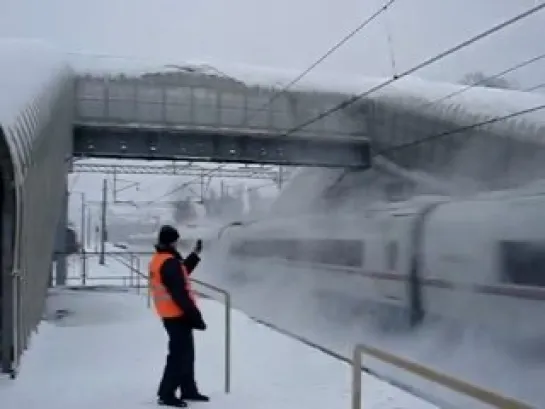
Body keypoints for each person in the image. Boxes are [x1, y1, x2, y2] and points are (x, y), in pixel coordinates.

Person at [149, 225, 210, 408]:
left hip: (170, 313)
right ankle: (166, 393)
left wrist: (195, 255)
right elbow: (180, 292)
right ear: (172, 241)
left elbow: (181, 274)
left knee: (186, 354)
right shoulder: (169, 262)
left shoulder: (161, 259)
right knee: (178, 356)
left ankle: (188, 389)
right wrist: (195, 316)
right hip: (176, 314)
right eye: (176, 240)